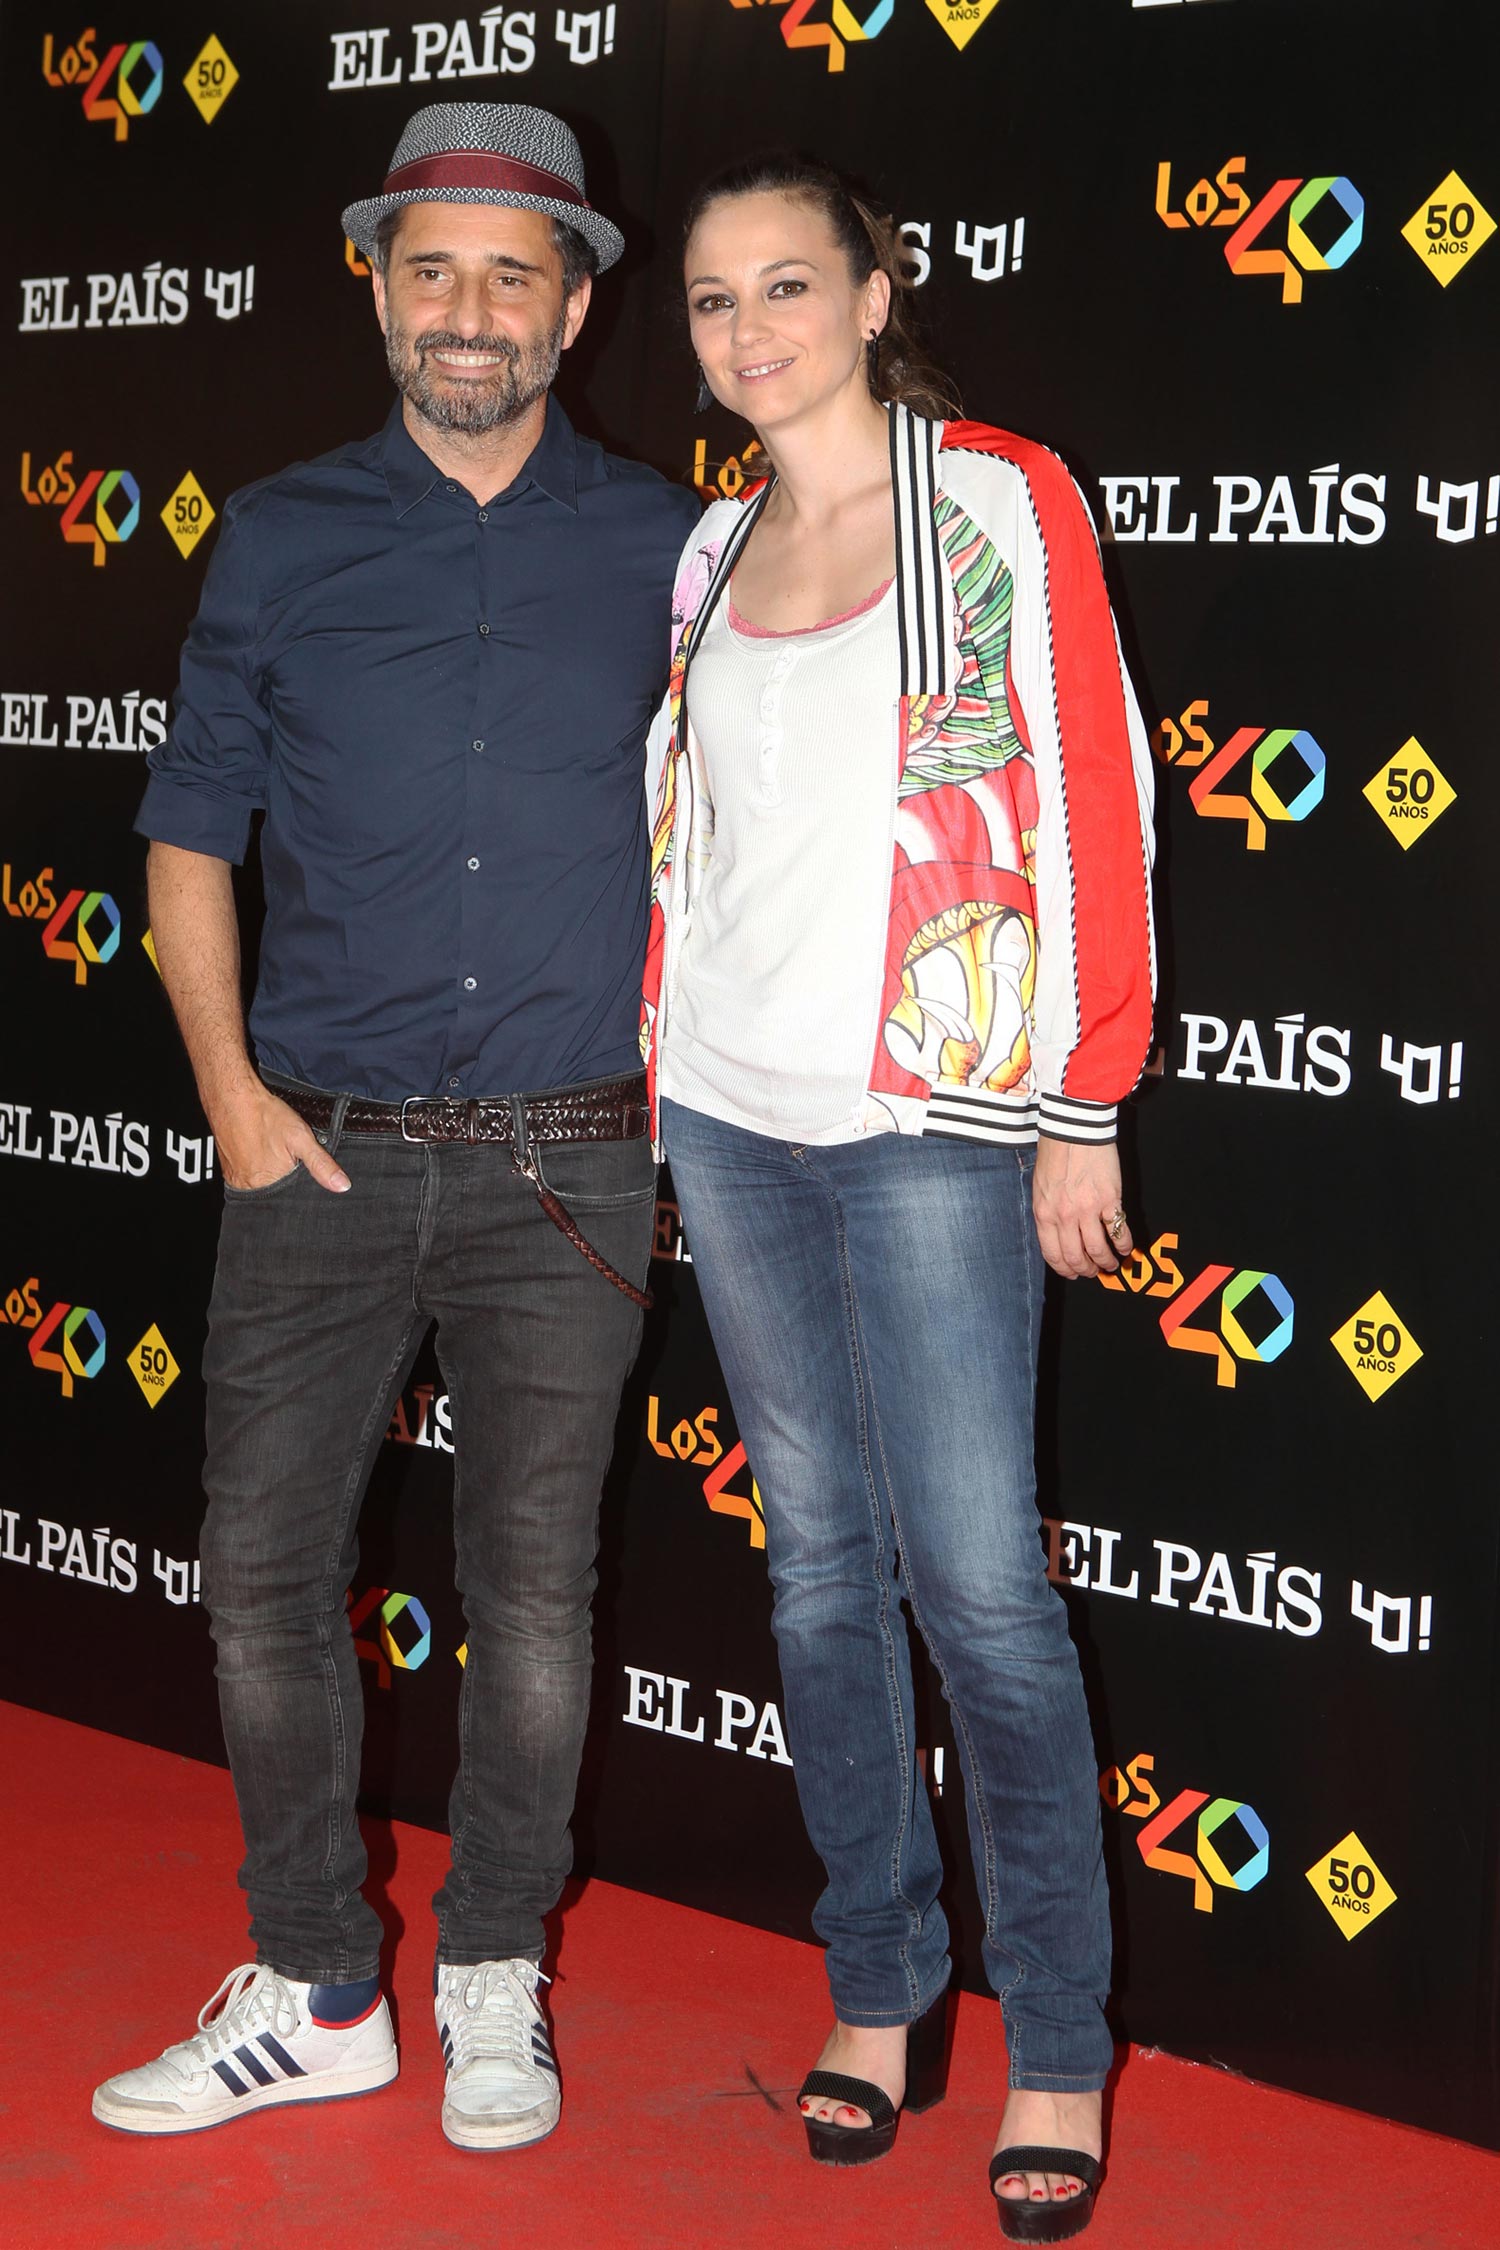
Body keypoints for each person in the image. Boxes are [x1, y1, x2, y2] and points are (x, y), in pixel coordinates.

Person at [92, 103, 700, 2151]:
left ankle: (500, 1969)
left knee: (537, 1598)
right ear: (373, 282)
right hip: (318, 1153)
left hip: (569, 1166)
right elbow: (186, 837)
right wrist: (231, 1102)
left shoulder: (669, 546)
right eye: (431, 266)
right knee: (261, 1575)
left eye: (513, 274)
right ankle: (320, 1985)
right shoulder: (274, 530)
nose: (469, 310)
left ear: (578, 305)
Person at [643, 157, 1155, 2242]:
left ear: (874, 293)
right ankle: (877, 1988)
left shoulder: (998, 503)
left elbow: (1090, 782)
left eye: (786, 284)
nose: (747, 328)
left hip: (945, 1115)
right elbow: (696, 838)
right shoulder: (712, 538)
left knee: (984, 1597)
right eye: (706, 299)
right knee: (819, 1580)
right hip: (732, 1117)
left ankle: (1055, 2038)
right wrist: (663, 1069)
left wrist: (1084, 1099)